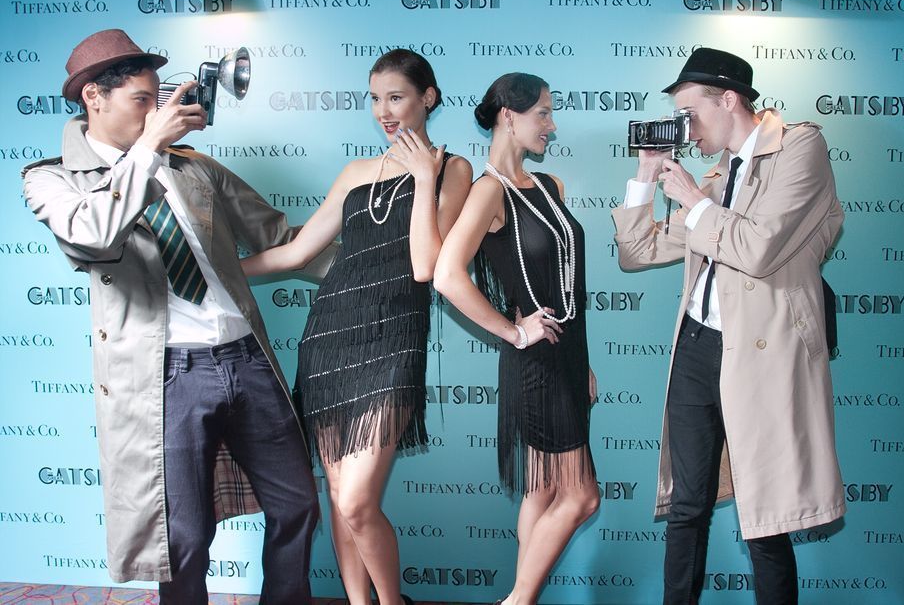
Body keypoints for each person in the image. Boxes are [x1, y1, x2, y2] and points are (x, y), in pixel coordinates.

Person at [21, 29, 333, 604]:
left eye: (156, 98)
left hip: (246, 357)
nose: (155, 112)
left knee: (297, 504)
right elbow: (94, 235)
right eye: (141, 100)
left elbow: (282, 238)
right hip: (165, 376)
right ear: (94, 96)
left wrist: (382, 253)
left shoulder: (193, 167)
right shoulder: (51, 179)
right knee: (183, 537)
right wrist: (146, 152)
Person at [612, 47, 846, 604]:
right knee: (686, 507)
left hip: (762, 352)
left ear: (729, 100)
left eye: (690, 114)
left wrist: (693, 200)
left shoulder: (799, 148)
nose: (685, 130)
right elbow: (637, 251)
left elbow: (758, 249)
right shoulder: (717, 178)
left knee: (766, 517)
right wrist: (646, 177)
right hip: (697, 345)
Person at [241, 49, 471, 605]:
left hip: (394, 341)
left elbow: (426, 264)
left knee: (356, 502)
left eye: (396, 97)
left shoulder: (454, 170)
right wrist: (214, 269)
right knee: (339, 494)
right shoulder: (355, 173)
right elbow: (295, 253)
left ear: (427, 98)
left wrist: (424, 176)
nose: (383, 111)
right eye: (375, 99)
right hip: (329, 339)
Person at [433, 72, 599, 605]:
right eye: (543, 113)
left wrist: (581, 362)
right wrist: (513, 330)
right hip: (535, 365)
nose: (552, 125)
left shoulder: (550, 186)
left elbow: (564, 281)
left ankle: (522, 596)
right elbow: (447, 276)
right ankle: (518, 601)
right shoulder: (488, 192)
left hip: (566, 356)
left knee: (543, 490)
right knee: (581, 498)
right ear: (509, 115)